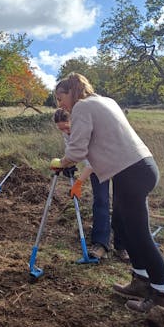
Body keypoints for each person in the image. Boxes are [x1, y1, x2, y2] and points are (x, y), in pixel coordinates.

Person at [52, 73, 164, 327]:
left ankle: (162, 299)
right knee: (124, 226)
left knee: (140, 235)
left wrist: (61, 163)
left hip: (131, 173)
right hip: (136, 168)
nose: (60, 105)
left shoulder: (82, 106)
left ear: (71, 92)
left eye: (60, 98)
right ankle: (140, 280)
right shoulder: (105, 101)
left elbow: (77, 150)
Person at [53, 108, 128, 261]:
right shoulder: (67, 134)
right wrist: (66, 165)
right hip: (96, 167)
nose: (65, 131)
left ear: (73, 121)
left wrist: (79, 183)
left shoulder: (86, 130)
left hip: (116, 162)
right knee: (100, 201)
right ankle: (101, 245)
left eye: (67, 126)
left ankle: (122, 246)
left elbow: (92, 164)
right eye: (61, 129)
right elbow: (72, 153)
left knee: (120, 204)